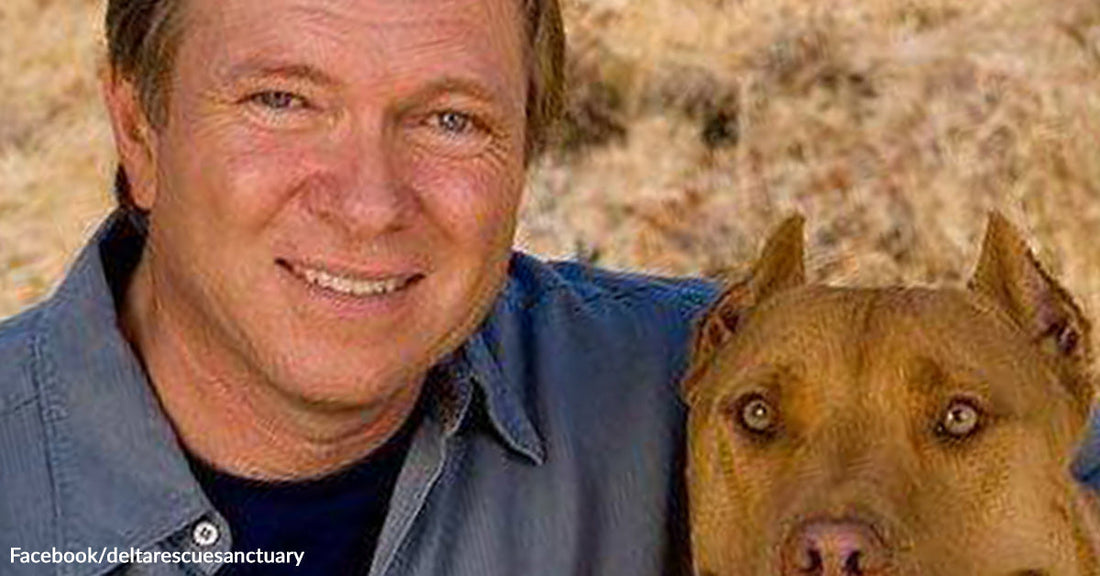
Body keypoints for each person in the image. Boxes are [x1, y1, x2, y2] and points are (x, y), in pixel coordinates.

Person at [0, 0, 719, 574]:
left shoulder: (713, 391)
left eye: (451, 120)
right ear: (138, 133)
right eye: (282, 100)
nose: (368, 205)